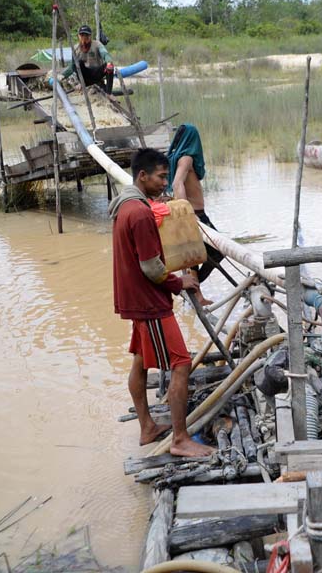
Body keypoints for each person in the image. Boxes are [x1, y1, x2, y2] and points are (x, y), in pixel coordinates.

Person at [109, 148, 213, 457]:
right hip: (150, 302)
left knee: (140, 361)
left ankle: (147, 427)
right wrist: (181, 282)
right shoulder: (140, 214)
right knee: (181, 364)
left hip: (134, 298)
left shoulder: (126, 205)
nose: (165, 183)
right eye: (161, 177)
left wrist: (158, 207)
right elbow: (152, 268)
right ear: (143, 176)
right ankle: (180, 439)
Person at [166, 124, 226, 305]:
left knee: (193, 256)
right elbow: (177, 184)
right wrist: (187, 214)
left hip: (193, 213)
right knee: (219, 251)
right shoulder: (186, 158)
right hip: (196, 214)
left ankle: (197, 295)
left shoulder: (176, 158)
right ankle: (191, 286)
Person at [60, 25, 114, 94]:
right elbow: (72, 67)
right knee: (78, 63)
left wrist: (109, 62)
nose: (84, 38)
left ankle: (109, 93)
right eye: (82, 35)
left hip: (96, 73)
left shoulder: (97, 44)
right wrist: (62, 76)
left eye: (86, 36)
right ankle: (82, 84)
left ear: (90, 36)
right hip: (84, 77)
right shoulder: (75, 48)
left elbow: (105, 54)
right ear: (79, 36)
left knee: (109, 66)